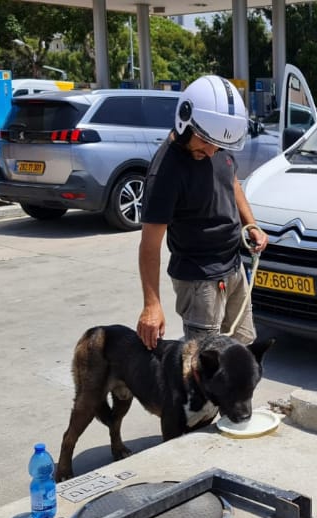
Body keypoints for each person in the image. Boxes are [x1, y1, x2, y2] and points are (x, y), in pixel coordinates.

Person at [137, 75, 268, 350]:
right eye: (205, 142)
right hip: (199, 280)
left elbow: (231, 183)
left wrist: (252, 224)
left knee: (243, 347)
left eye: (218, 145)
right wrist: (152, 304)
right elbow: (149, 245)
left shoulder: (217, 142)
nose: (211, 151)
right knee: (205, 362)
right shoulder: (166, 172)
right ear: (185, 122)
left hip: (233, 266)